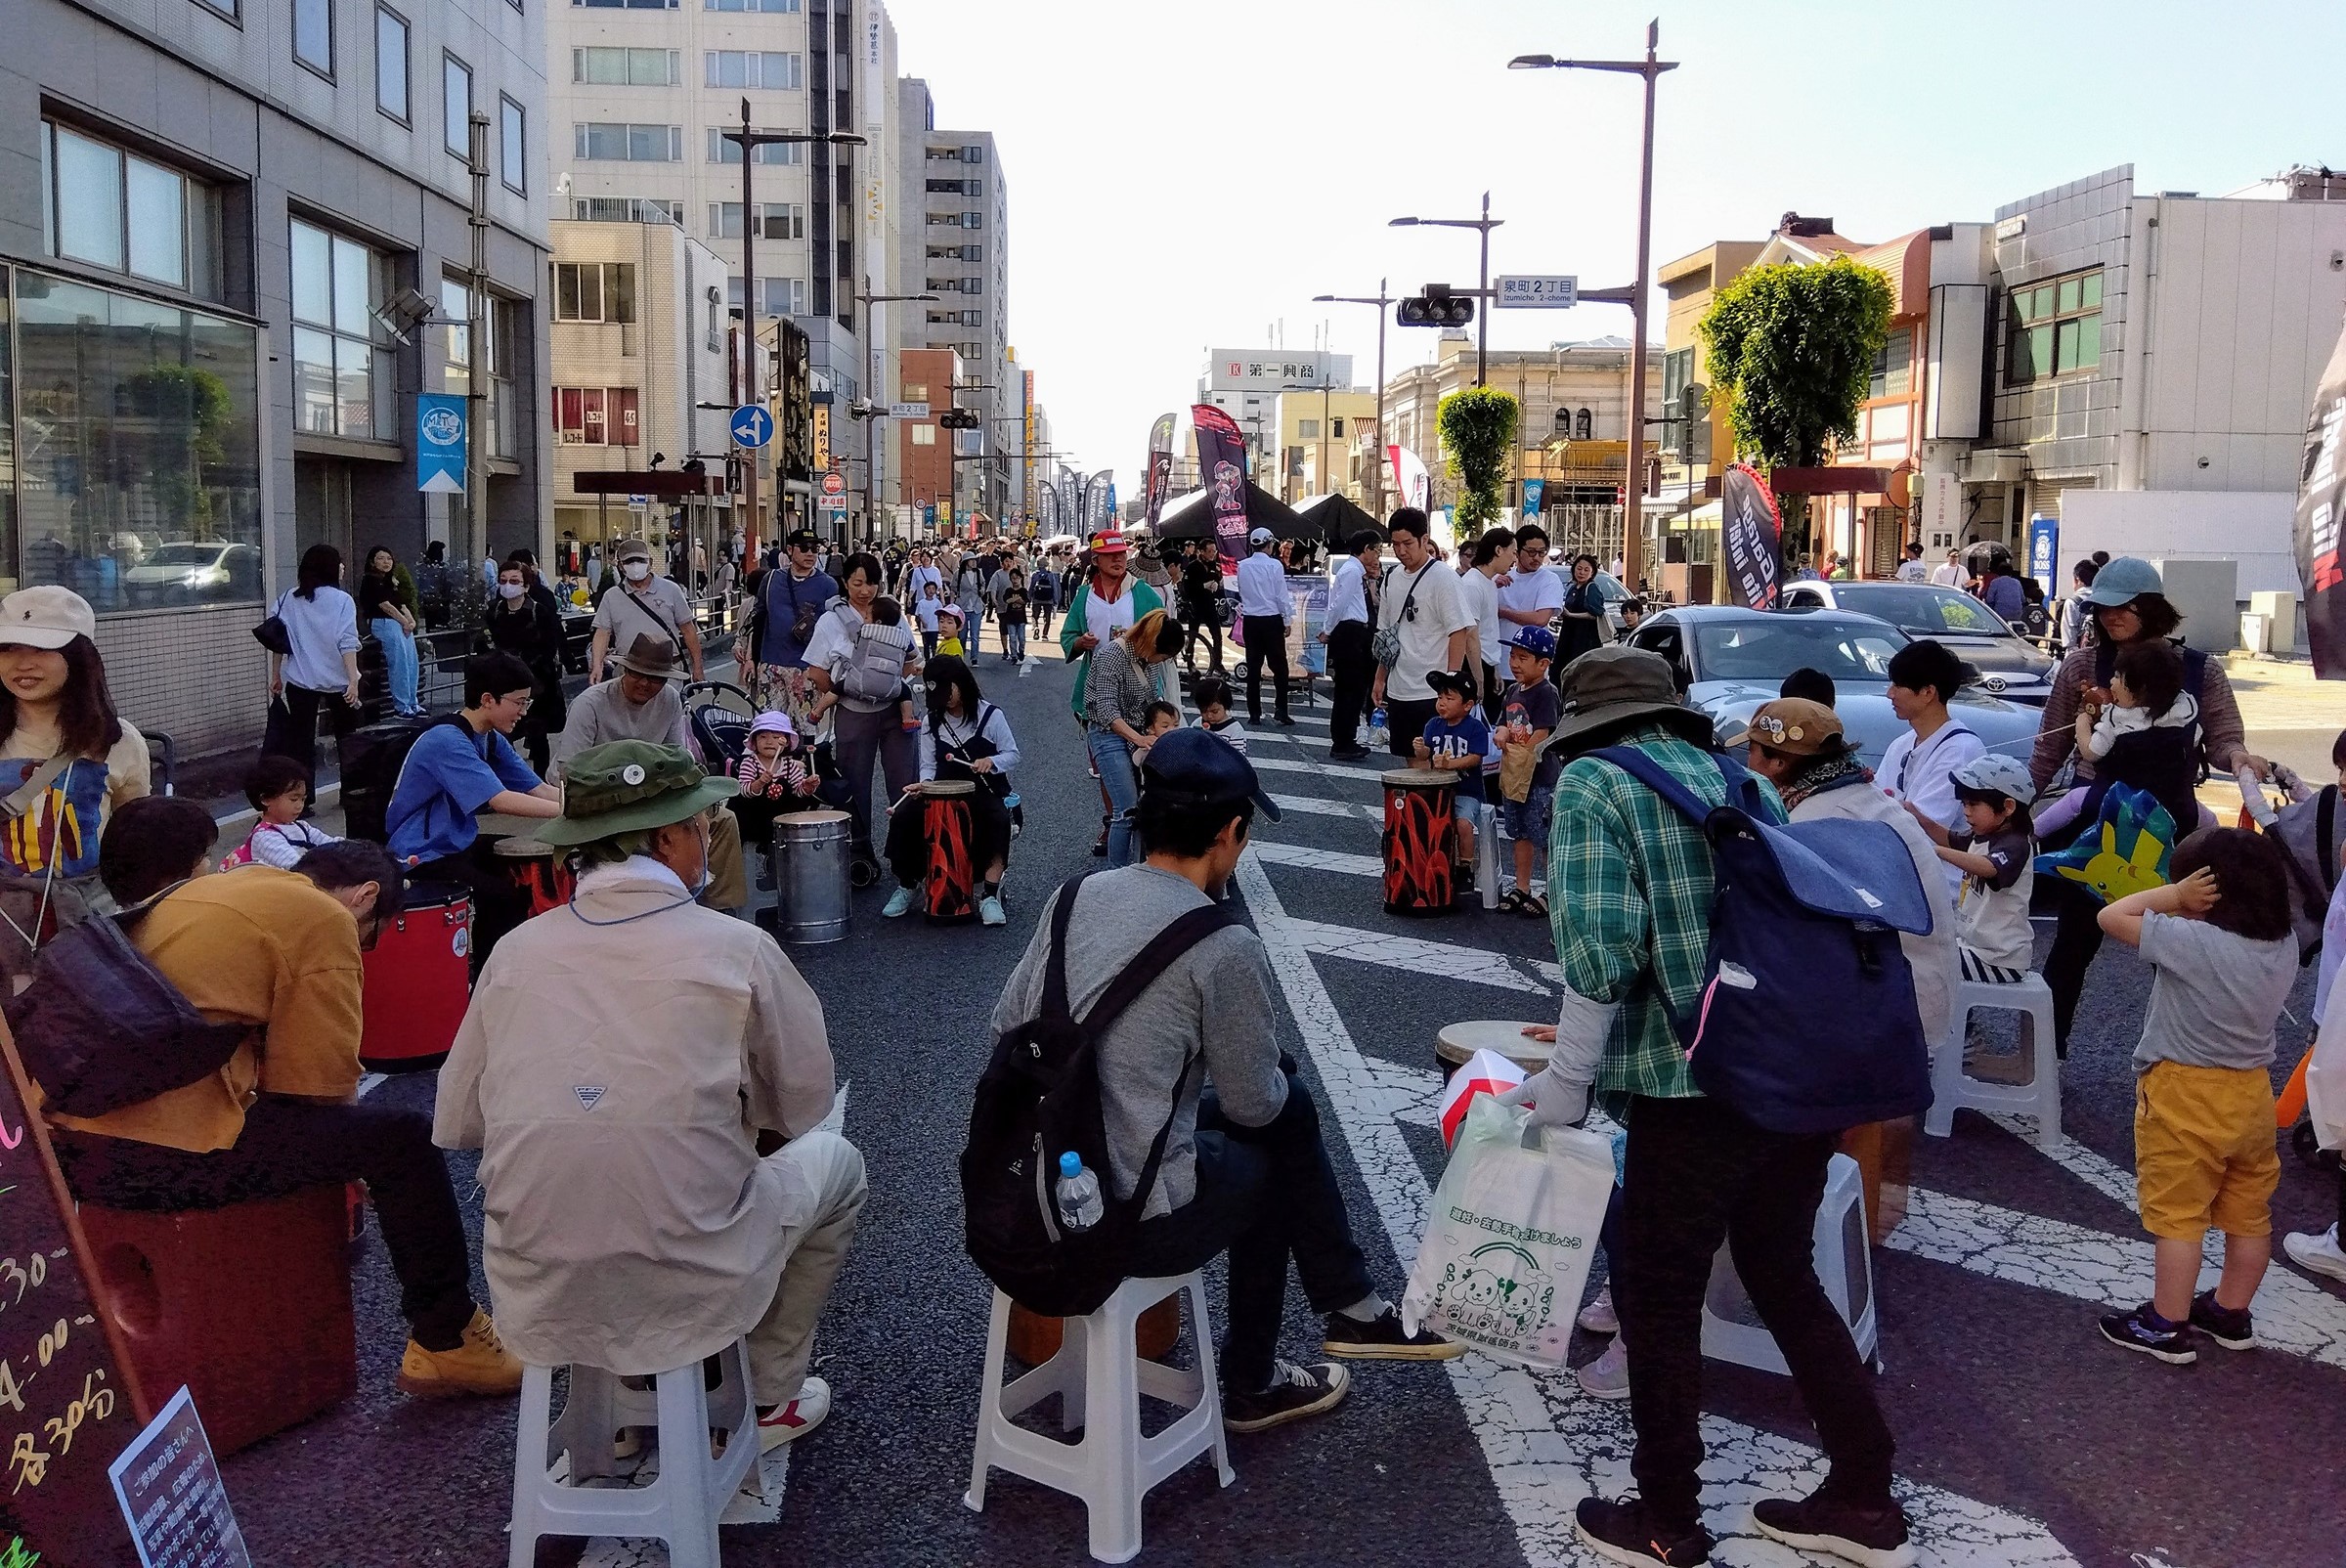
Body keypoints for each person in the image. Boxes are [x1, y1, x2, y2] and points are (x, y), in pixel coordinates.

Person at [1504, 645, 1910, 1568]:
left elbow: (1602, 957)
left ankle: (1667, 1517)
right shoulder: (1741, 779)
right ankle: (1864, 1493)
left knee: (1657, 1294)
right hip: (1791, 1075)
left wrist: (1566, 1086)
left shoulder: (1594, 786)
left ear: (1587, 725)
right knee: (1781, 1273)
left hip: (1688, 1086)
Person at [988, 729, 1457, 1433]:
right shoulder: (1222, 944)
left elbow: (1007, 1023)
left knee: (1280, 1110)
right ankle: (1262, 1373)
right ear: (1231, 832)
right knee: (1270, 1148)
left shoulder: (1072, 895)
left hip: (1026, 1186)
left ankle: (1350, 1305)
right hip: (1123, 1216)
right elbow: (1253, 1105)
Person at [435, 741, 865, 1445]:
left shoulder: (513, 954)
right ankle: (765, 1396)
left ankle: (620, 1402)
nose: (707, 833)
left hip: (536, 1279)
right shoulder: (737, 949)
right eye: (701, 821)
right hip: (690, 1271)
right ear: (669, 838)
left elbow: (461, 1120)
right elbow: (802, 1103)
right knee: (838, 1168)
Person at [47, 837, 522, 1398]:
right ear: (367, 898)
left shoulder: (218, 889)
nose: (362, 950)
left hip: (73, 1149)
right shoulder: (324, 919)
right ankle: (448, 1339)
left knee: (347, 1136)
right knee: (402, 1138)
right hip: (169, 1155)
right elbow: (316, 1087)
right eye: (370, 939)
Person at [2028, 558, 2263, 1053]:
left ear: (2152, 609)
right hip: (2100, 826)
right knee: (2072, 943)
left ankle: (2191, 1055)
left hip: (2169, 827)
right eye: (2102, 608)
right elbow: (2049, 749)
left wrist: (2239, 757)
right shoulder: (2080, 665)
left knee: (2179, 950)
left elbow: (2223, 739)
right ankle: (2042, 1061)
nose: (2109, 616)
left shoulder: (2200, 668)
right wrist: (2018, 804)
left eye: (2123, 607)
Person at [2095, 828, 2298, 1365]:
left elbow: (2112, 916)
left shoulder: (2193, 942)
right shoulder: (2284, 944)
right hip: (2252, 1093)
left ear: (2210, 893)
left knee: (2179, 1216)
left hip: (2185, 1091)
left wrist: (2173, 899)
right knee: (2248, 1213)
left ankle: (2165, 1323)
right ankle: (2229, 1312)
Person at [1744, 698, 1956, 1052]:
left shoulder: (1813, 821)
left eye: (1751, 752)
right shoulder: (1862, 797)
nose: (1747, 764)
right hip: (1917, 990)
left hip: (1891, 1011)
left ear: (1777, 763)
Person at [385, 653, 563, 968]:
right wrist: (566, 811)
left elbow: (537, 789)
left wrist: (582, 803)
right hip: (422, 853)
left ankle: (507, 966)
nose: (523, 712)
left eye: (527, 703)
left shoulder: (489, 738)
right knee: (502, 896)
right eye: (519, 702)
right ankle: (486, 975)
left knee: (528, 869)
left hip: (456, 842)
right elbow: (501, 800)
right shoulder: (446, 740)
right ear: (488, 700)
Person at [0, 586, 151, 905]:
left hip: (86, 924)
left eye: (42, 648)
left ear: (80, 658)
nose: (23, 663)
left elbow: (132, 839)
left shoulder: (119, 741)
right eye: (9, 647)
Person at [803, 553, 921, 880]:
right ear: (845, 583)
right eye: (857, 583)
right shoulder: (831, 621)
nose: (865, 590)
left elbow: (911, 659)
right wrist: (845, 691)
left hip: (896, 712)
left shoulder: (891, 613)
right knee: (854, 787)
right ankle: (859, 857)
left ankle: (908, 861)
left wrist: (891, 686)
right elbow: (815, 671)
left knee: (905, 785)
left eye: (871, 582)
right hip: (852, 714)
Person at [883, 655, 1020, 927]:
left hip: (982, 789)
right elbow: (928, 765)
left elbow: (1013, 754)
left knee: (997, 821)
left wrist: (991, 761)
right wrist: (924, 786)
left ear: (962, 683)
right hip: (941, 792)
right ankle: (908, 884)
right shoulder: (931, 722)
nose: (944, 700)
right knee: (904, 818)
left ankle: (990, 895)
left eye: (948, 691)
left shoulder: (991, 715)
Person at [1879, 639, 1985, 887]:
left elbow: (1918, 831)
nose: (1889, 693)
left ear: (1928, 692)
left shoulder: (1960, 751)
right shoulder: (1902, 743)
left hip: (1941, 887)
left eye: (1898, 685)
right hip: (1901, 879)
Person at [1370, 509, 1475, 762]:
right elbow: (1386, 634)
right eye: (1395, 544)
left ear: (1424, 540)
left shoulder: (1443, 578)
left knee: (1434, 764)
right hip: (1399, 688)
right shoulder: (1392, 578)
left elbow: (1458, 631)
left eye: (1407, 543)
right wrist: (1380, 679)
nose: (1401, 551)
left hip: (1432, 692)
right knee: (1410, 760)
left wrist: (1450, 685)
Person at [1086, 610, 1185, 868]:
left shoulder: (1147, 660)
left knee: (1145, 804)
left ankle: (1141, 866)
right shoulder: (1111, 656)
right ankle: (1116, 873)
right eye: (1163, 656)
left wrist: (1167, 727)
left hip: (1138, 732)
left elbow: (1151, 701)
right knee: (1126, 810)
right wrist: (1140, 739)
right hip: (1107, 734)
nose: (1162, 661)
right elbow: (1106, 710)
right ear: (1152, 644)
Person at [267, 544, 363, 800]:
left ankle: (302, 797)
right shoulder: (342, 600)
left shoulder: (288, 599)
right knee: (348, 739)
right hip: (339, 681)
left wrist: (276, 674)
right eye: (339, 562)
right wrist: (353, 680)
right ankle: (351, 791)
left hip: (300, 680)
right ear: (330, 567)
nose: (343, 567)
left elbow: (277, 638)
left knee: (301, 743)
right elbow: (347, 641)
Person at [553, 633, 694, 775]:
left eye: (655, 678)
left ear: (665, 680)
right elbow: (569, 768)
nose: (644, 683)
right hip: (585, 783)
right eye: (637, 674)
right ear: (625, 670)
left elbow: (675, 754)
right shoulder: (589, 704)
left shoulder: (670, 698)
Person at [739, 530, 840, 727]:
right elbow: (758, 620)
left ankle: (801, 759)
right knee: (767, 726)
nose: (810, 554)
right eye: (804, 548)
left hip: (806, 668)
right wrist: (750, 658)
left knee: (804, 727)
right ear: (790, 550)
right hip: (771, 665)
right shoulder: (770, 580)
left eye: (815, 549)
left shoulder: (828, 585)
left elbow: (834, 629)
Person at [1494, 626, 1559, 918]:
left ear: (1544, 664)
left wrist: (1522, 753)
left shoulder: (1546, 693)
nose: (1514, 663)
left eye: (1523, 657)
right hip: (1514, 774)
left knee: (1543, 835)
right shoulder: (1512, 691)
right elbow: (1505, 721)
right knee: (1519, 832)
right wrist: (1501, 734)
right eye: (1512, 656)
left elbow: (1543, 731)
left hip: (1540, 777)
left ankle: (1551, 890)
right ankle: (1522, 886)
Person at [484, 559, 568, 775]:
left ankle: (539, 781)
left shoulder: (539, 611)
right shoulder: (494, 611)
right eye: (503, 581)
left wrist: (528, 666)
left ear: (526, 585)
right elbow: (488, 642)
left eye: (514, 581)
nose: (508, 585)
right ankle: (511, 776)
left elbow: (550, 647)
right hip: (503, 682)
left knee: (536, 733)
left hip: (536, 683)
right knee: (503, 733)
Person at [590, 538, 703, 685]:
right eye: (629, 562)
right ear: (620, 566)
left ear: (650, 562)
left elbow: (688, 630)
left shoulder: (671, 590)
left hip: (667, 672)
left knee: (668, 707)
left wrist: (698, 667)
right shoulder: (612, 596)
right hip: (627, 673)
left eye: (640, 560)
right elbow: (602, 633)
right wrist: (597, 665)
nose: (635, 565)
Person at [1412, 670, 1493, 874]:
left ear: (1467, 705)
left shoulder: (1475, 728)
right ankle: (1432, 861)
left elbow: (1476, 758)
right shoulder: (1433, 725)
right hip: (1438, 789)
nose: (1442, 703)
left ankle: (1465, 866)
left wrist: (1451, 764)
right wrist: (1421, 750)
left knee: (1463, 824)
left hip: (1467, 791)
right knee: (1426, 823)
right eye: (1440, 697)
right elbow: (1425, 755)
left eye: (1449, 698)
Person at [96, 795, 218, 906]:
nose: (209, 864)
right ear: (171, 878)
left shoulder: (120, 924)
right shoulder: (202, 921)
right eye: (205, 855)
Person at [1322, 531, 1379, 761]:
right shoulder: (1352, 571)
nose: (1376, 555)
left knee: (1354, 690)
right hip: (1349, 633)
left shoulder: (1354, 571)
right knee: (1349, 690)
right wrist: (1328, 630)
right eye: (1375, 549)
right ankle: (1343, 741)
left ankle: (1346, 739)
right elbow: (1338, 604)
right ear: (1365, 549)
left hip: (1355, 633)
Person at [227, 755, 339, 870]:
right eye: (293, 799)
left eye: (303, 799)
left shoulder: (302, 827)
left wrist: (351, 850)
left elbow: (332, 844)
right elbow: (295, 867)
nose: (300, 805)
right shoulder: (264, 837)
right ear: (266, 799)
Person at [1236, 527, 1294, 728]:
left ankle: (1254, 713)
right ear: (1269, 544)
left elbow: (1242, 592)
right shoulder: (1275, 566)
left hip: (1251, 620)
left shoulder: (1242, 566)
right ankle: (1281, 710)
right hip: (1271, 620)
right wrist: (1287, 620)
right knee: (1280, 667)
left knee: (1253, 667)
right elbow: (1281, 596)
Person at [358, 545, 424, 719]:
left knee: (412, 661)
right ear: (372, 561)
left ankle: (413, 702)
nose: (386, 562)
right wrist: (404, 622)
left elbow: (401, 604)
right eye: (381, 558)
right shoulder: (370, 580)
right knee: (399, 663)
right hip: (383, 622)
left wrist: (410, 621)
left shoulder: (390, 580)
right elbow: (385, 606)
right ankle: (402, 706)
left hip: (400, 623)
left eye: (389, 558)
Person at [1459, 527, 1514, 719]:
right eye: (1513, 552)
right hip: (1474, 666)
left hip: (1488, 664)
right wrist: (1479, 679)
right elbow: (1469, 634)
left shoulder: (1489, 582)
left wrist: (1495, 669)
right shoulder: (1472, 584)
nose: (1514, 559)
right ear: (1499, 550)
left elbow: (1489, 631)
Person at [1178, 538, 1228, 675]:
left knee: (1217, 635)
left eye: (1214, 551)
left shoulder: (1214, 565)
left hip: (1210, 605)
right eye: (1210, 551)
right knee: (1193, 635)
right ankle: (1190, 662)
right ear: (1202, 552)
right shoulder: (1193, 566)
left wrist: (1216, 584)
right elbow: (1187, 588)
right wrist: (1203, 586)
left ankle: (1218, 663)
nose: (1212, 554)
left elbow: (1217, 578)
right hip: (1195, 605)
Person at [1553, 553, 1609, 670]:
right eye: (1579, 569)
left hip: (1585, 638)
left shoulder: (1592, 588)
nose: (1581, 573)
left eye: (1586, 570)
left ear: (1592, 572)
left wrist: (1571, 615)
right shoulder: (1573, 588)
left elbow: (1596, 614)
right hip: (1568, 635)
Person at [1191, 675, 1248, 754]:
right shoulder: (1197, 724)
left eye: (1214, 711)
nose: (1209, 716)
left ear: (1225, 706)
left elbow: (1237, 759)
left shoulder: (1234, 730)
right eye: (1203, 711)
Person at [416, 540, 456, 630]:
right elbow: (448, 586)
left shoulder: (422, 568)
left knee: (431, 628)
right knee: (441, 630)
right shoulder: (443, 569)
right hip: (441, 604)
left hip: (428, 604)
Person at [1131, 700, 1181, 770]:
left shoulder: (1180, 741)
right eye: (1165, 726)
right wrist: (1144, 750)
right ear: (1151, 729)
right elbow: (1136, 760)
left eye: (1176, 725)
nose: (1172, 729)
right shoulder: (1151, 744)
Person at [997, 569, 1030, 664]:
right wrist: (1016, 599)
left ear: (1020, 578)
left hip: (1021, 618)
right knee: (1012, 638)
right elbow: (1006, 600)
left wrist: (1015, 599)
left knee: (1021, 637)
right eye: (1012, 578)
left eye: (1017, 578)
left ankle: (1021, 651)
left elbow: (1025, 601)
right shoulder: (1008, 590)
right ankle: (1014, 656)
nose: (1015, 580)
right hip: (1010, 618)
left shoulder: (1023, 590)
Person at [1027, 558, 1059, 640]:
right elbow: (1054, 588)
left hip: (1037, 598)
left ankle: (1036, 626)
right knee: (1047, 617)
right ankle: (1045, 634)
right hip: (1048, 599)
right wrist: (1055, 601)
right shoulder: (1050, 575)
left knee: (1035, 615)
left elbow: (1031, 587)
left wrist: (1029, 598)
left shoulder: (1035, 574)